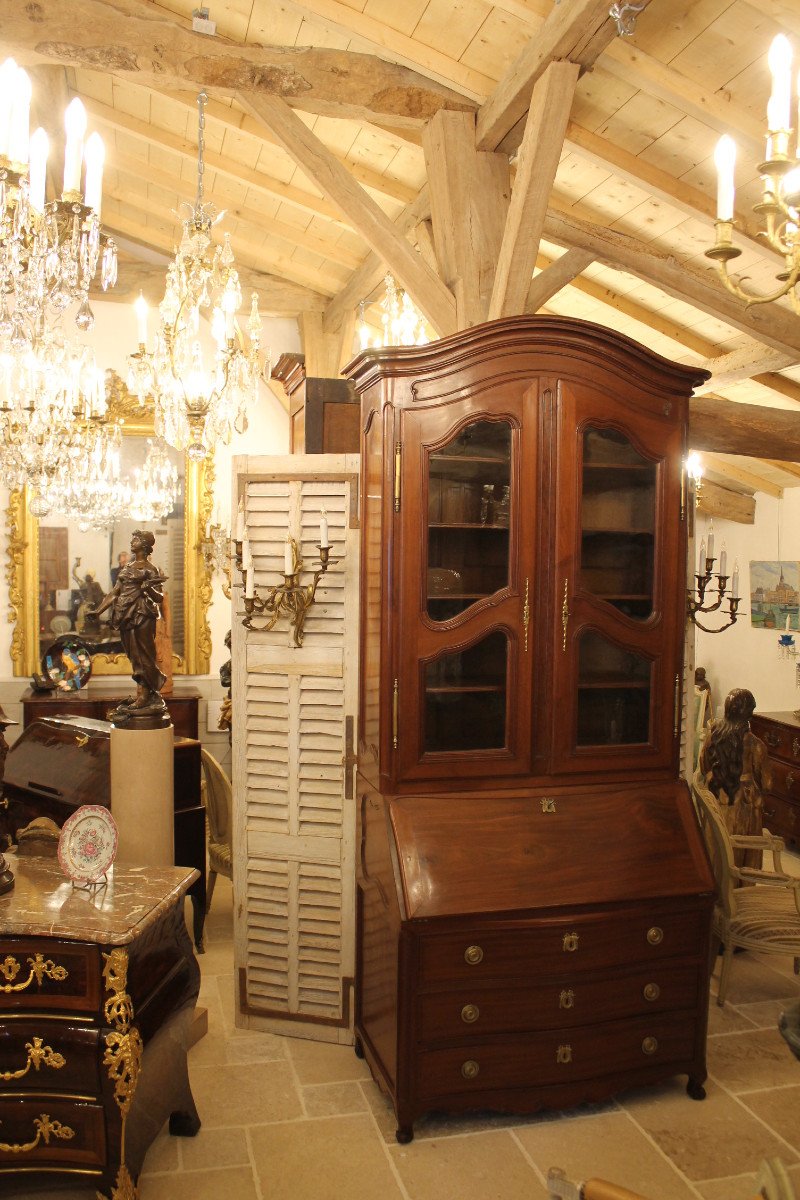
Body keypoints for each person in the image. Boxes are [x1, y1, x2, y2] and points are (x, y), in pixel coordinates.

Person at [89, 531, 168, 719]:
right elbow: (115, 593)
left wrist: (147, 587)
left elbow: (159, 598)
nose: (132, 541)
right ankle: (145, 693)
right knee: (134, 656)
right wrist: (98, 611)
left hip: (142, 614)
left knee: (144, 655)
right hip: (125, 615)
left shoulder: (150, 569)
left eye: (137, 539)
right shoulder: (127, 568)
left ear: (145, 545)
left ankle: (147, 693)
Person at [699, 688, 771, 871]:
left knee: (714, 846)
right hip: (744, 805)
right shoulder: (756, 745)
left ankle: (714, 884)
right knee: (741, 854)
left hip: (716, 798)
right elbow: (767, 783)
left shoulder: (712, 737)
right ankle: (739, 889)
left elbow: (703, 766)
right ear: (749, 714)